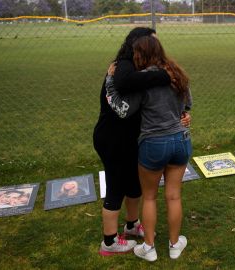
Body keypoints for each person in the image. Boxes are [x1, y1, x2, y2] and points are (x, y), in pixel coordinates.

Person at [93, 27, 191, 256]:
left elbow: (127, 110)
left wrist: (184, 113)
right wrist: (182, 113)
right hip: (120, 139)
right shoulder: (137, 71)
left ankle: (141, 237)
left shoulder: (145, 75)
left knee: (141, 190)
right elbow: (186, 100)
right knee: (121, 187)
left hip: (147, 142)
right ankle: (110, 242)